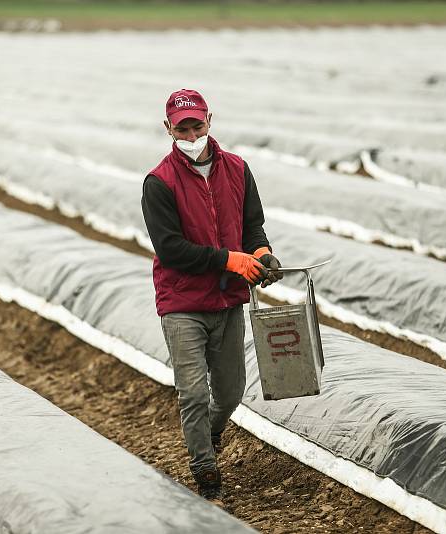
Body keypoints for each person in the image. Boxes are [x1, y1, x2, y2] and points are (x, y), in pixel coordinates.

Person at [141, 89, 283, 504]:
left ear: (209, 122)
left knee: (231, 392)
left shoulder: (237, 169)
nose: (190, 133)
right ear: (168, 129)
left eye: (196, 125)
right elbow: (170, 249)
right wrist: (228, 261)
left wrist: (261, 254)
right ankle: (206, 473)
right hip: (183, 302)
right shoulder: (159, 182)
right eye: (181, 127)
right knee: (193, 393)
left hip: (226, 302)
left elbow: (252, 226)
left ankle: (211, 432)